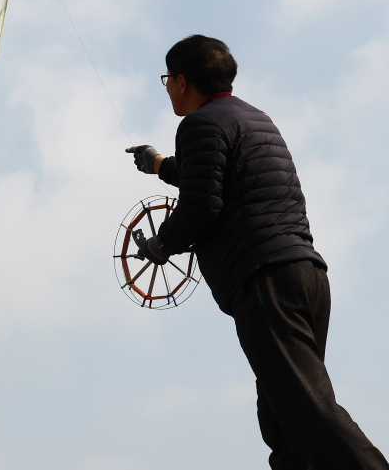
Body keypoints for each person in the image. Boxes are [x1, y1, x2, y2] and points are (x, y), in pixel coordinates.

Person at [125, 35, 385, 469]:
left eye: (167, 79)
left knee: (310, 414)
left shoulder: (199, 124)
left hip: (264, 281)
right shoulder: (253, 118)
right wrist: (157, 164)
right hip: (304, 276)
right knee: (284, 424)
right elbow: (212, 177)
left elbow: (201, 206)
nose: (168, 87)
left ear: (183, 81)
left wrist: (160, 245)